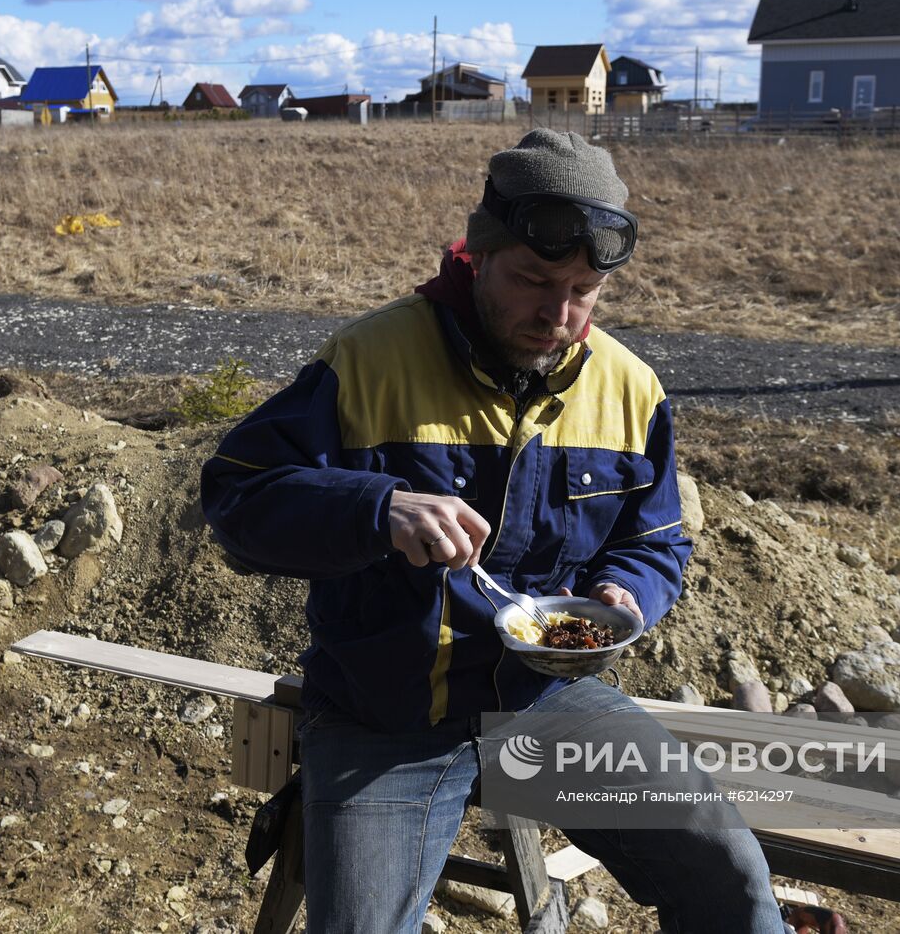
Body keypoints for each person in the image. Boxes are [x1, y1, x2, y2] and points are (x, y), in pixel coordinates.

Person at [201, 129, 805, 933]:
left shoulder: (632, 389)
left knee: (728, 872)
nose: (558, 315)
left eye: (585, 291)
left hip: (548, 700)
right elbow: (238, 504)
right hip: (386, 713)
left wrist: (626, 594)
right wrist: (375, 508)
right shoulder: (369, 359)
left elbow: (657, 540)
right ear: (478, 256)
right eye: (534, 279)